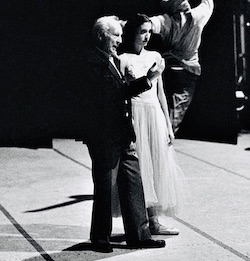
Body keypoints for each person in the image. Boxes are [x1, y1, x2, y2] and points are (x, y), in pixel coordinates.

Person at [82, 15, 166, 253]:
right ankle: (100, 238)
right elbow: (109, 97)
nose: (120, 40)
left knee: (133, 183)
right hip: (105, 136)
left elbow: (120, 92)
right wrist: (147, 79)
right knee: (106, 189)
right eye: (115, 35)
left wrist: (148, 80)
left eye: (121, 35)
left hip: (122, 134)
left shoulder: (109, 59)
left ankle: (139, 234)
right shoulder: (92, 62)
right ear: (101, 36)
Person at [118, 14, 185, 236]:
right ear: (132, 33)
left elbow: (161, 93)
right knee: (140, 167)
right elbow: (123, 93)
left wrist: (168, 124)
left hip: (154, 114)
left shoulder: (156, 56)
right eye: (141, 32)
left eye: (149, 31)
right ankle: (141, 222)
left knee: (157, 165)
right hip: (136, 115)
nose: (146, 36)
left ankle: (155, 221)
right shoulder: (123, 59)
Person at [149, 0, 214, 133]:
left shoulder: (165, 20)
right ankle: (165, 139)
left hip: (170, 68)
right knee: (176, 112)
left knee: (165, 108)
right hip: (187, 70)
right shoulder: (198, 15)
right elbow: (208, 3)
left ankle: (162, 137)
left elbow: (147, 23)